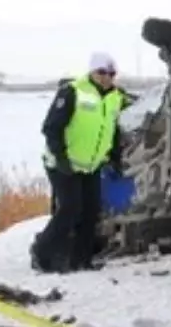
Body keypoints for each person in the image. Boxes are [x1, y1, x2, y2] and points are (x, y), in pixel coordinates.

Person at [30, 53, 125, 274]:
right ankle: (41, 252)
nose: (107, 78)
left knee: (91, 211)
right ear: (92, 71)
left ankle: (81, 260)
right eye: (102, 72)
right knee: (70, 209)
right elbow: (51, 128)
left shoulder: (115, 97)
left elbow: (112, 130)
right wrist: (62, 158)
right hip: (63, 164)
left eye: (111, 74)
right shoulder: (72, 91)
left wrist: (114, 158)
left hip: (91, 165)